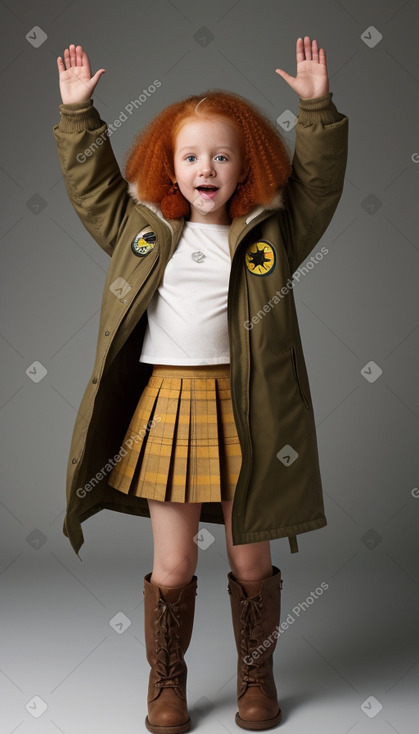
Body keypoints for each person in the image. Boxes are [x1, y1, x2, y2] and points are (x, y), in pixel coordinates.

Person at [54, 37, 348, 733]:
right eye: (190, 157)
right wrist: (77, 116)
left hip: (252, 410)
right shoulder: (142, 230)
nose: (205, 168)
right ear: (169, 166)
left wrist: (315, 109)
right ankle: (167, 685)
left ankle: (257, 680)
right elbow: (93, 187)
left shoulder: (272, 231)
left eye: (221, 156)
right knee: (174, 560)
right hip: (168, 406)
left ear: (246, 165)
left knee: (253, 558)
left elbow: (319, 185)